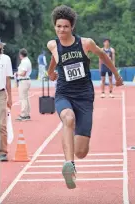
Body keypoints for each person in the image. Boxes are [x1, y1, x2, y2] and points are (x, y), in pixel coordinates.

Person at [47, 5, 123, 189]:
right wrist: (50, 73)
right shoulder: (52, 44)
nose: (61, 30)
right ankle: (69, 166)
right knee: (68, 118)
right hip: (64, 93)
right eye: (58, 26)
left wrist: (117, 76)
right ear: (54, 26)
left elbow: (103, 56)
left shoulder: (85, 43)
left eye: (65, 26)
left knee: (81, 151)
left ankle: (72, 148)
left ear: (72, 27)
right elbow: (55, 58)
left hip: (84, 96)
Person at [0, 40, 13, 161]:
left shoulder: (6, 59)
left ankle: (3, 151)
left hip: (1, 93)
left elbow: (8, 80)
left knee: (2, 124)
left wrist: (10, 97)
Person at [15, 48, 32, 121]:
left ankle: (23, 114)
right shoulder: (27, 60)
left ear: (21, 55)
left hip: (24, 81)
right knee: (26, 97)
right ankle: (27, 113)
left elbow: (23, 73)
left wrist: (17, 74)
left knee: (23, 98)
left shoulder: (24, 61)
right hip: (26, 80)